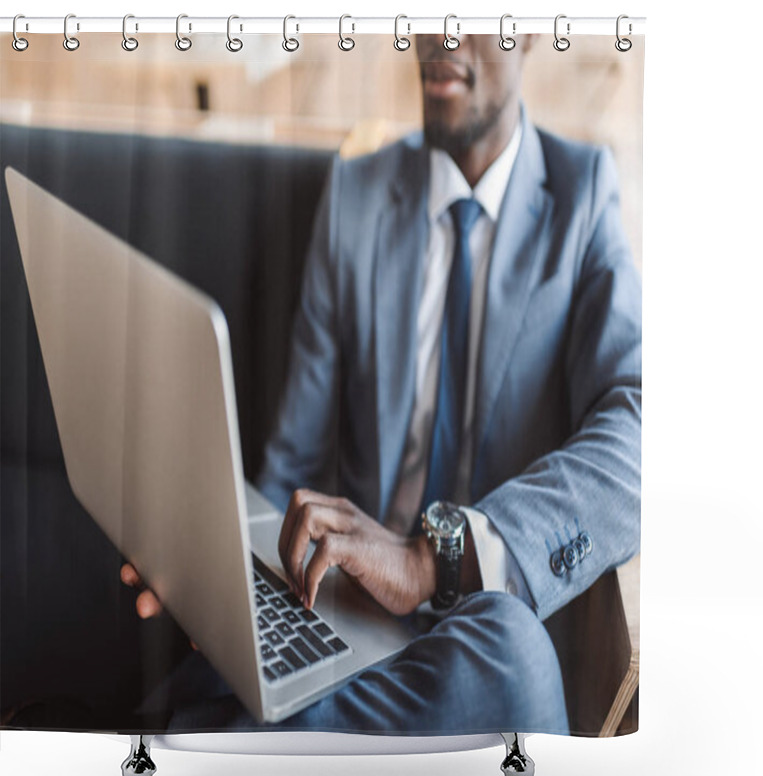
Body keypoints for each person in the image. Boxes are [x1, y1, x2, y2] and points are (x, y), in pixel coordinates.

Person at [121, 33, 641, 735]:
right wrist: (219, 568)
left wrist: (434, 560)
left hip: (474, 632)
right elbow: (291, 467)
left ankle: (207, 745)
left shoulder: (583, 196)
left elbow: (640, 432)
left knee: (513, 654)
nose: (439, 33)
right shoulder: (359, 195)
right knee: (239, 655)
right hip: (341, 606)